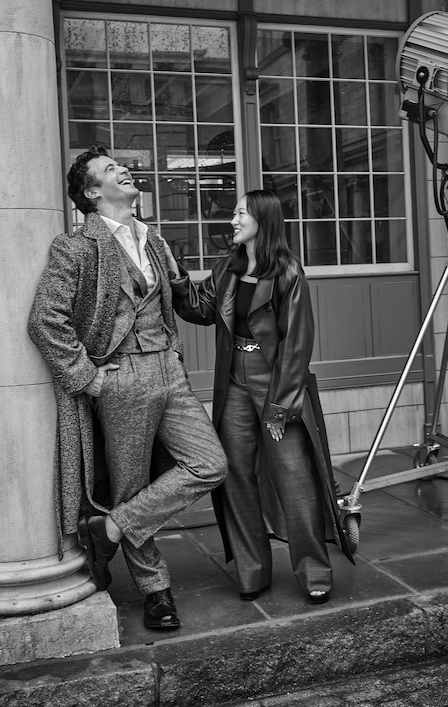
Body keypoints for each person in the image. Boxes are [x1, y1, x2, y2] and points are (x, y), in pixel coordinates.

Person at [28, 145, 227, 630]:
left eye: (122, 165)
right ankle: (155, 590)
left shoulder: (154, 239)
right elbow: (44, 320)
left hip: (168, 370)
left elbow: (178, 300)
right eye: (110, 169)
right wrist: (89, 378)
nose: (124, 170)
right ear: (93, 193)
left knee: (210, 463)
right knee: (130, 484)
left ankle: (111, 526)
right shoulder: (74, 246)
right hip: (121, 376)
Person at [170, 189, 353, 605]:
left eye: (239, 214)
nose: (232, 220)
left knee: (295, 478)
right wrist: (177, 278)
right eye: (234, 214)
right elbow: (200, 311)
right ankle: (252, 570)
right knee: (235, 474)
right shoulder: (228, 269)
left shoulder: (288, 271)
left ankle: (314, 571)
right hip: (233, 377)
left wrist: (281, 405)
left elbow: (298, 344)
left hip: (275, 381)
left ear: (262, 220)